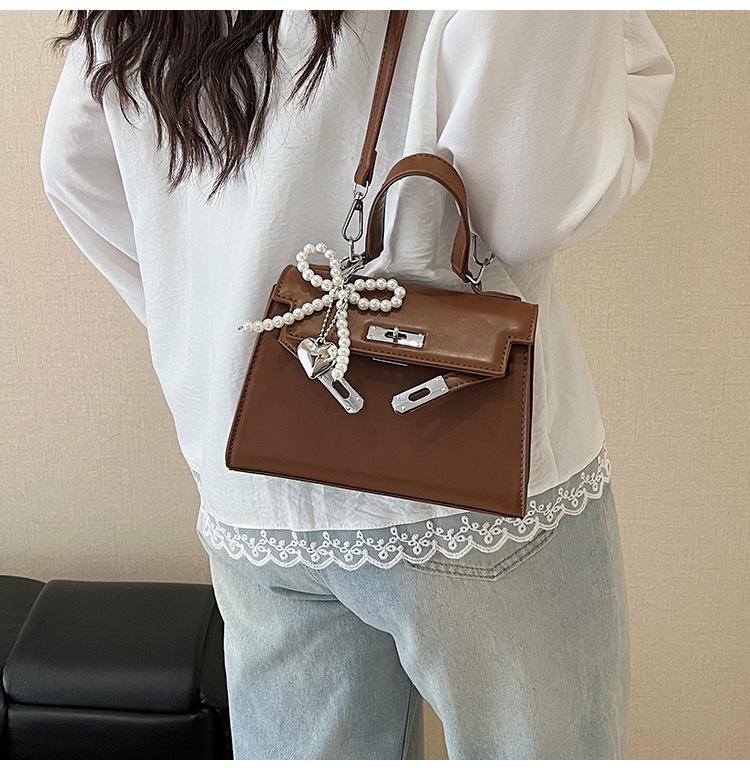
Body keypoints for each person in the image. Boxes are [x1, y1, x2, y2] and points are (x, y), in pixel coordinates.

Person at [41, 10, 674, 760]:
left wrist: (217, 338)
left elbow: (72, 169)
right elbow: (531, 201)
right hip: (468, 469)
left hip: (255, 479)